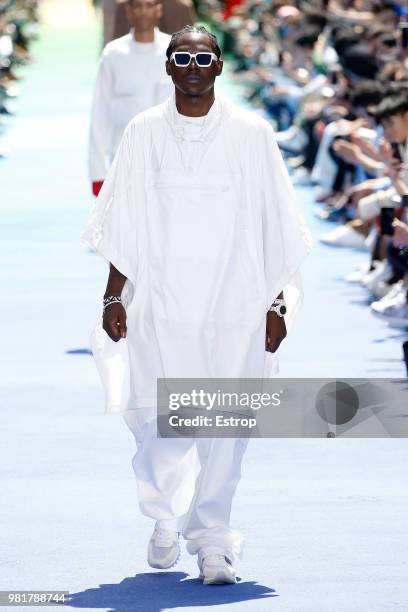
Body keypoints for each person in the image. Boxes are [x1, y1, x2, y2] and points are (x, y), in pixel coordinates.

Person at [81, 25, 313, 584]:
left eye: (201, 57)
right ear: (168, 67)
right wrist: (115, 294)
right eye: (180, 56)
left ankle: (213, 539)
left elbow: (279, 222)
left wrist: (277, 306)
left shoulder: (252, 133)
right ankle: (165, 515)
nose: (190, 66)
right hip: (161, 303)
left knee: (226, 428)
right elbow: (125, 220)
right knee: (163, 427)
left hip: (236, 301)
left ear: (218, 66)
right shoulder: (142, 132)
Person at [89, 0, 172, 197]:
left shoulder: (175, 51)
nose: (143, 11)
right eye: (137, 6)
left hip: (169, 159)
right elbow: (100, 112)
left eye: (149, 5)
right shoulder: (113, 54)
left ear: (159, 9)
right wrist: (98, 173)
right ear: (128, 11)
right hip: (124, 157)